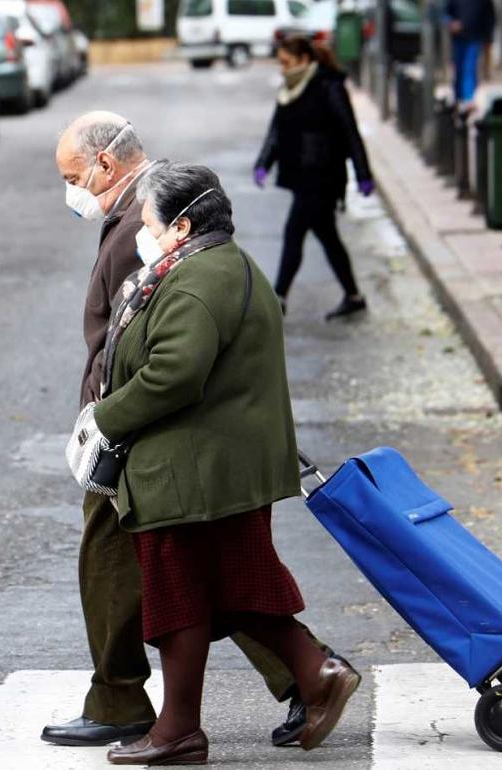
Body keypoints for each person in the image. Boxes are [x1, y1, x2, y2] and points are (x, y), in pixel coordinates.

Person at [48, 113, 330, 750]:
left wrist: (104, 417)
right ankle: (303, 677)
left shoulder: (177, 258)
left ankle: (169, 709)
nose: (72, 193)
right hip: (184, 450)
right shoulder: (187, 245)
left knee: (186, 584)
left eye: (74, 178)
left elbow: (168, 365)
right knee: (215, 581)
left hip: (173, 452)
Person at [254, 36, 374, 321]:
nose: (282, 69)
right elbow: (277, 130)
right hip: (300, 175)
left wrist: (363, 174)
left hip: (323, 176)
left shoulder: (328, 87)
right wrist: (263, 163)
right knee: (328, 237)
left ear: (304, 60)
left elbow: (349, 132)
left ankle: (278, 297)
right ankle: (353, 295)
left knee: (294, 232)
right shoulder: (291, 88)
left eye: (287, 62)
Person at [444, 0, 498, 110]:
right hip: (458, 38)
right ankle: (458, 97)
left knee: (469, 68)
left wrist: (488, 38)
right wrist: (451, 23)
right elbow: (446, 13)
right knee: (459, 68)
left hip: (475, 37)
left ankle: (468, 99)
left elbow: (490, 16)